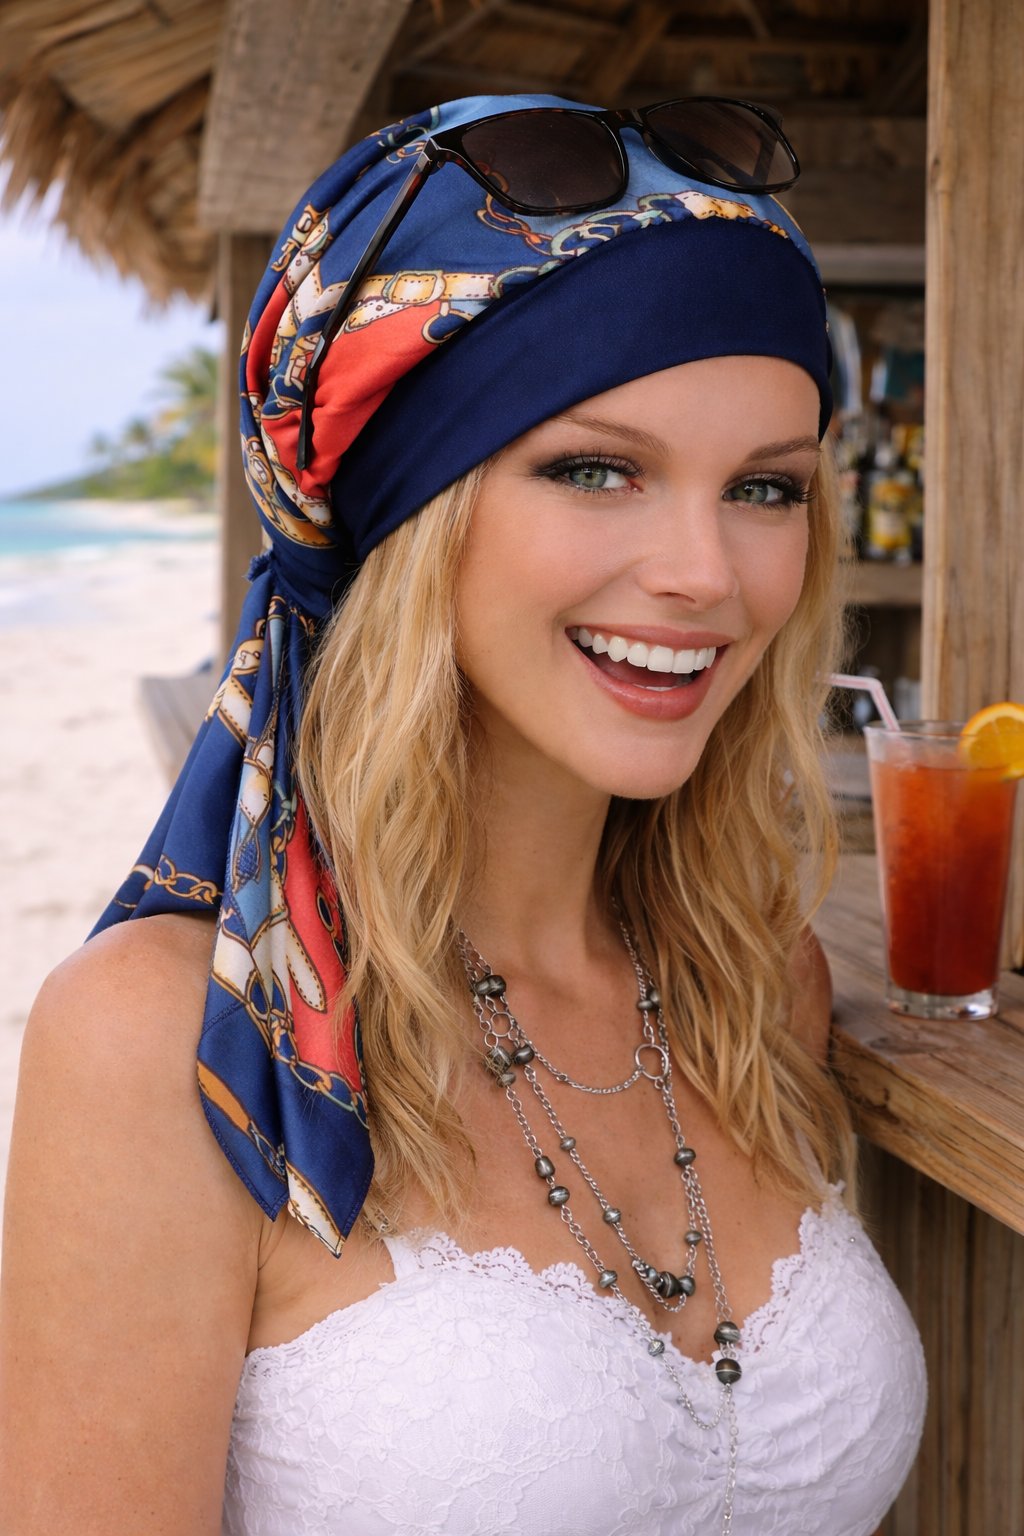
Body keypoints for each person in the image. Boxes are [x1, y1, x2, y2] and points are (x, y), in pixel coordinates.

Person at [0, 95, 925, 1534]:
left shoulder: (756, 989)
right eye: (594, 468)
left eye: (764, 488)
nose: (707, 573)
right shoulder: (178, 1041)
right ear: (402, 514)